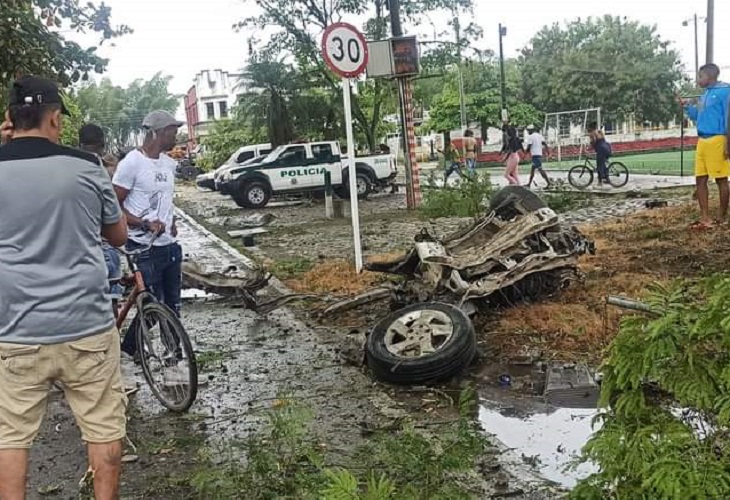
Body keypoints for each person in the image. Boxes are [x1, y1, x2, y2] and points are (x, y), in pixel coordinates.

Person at [0, 76, 128, 500]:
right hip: (86, 326)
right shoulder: (86, 166)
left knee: (11, 436)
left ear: (10, 118)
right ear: (54, 118)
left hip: (15, 329)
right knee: (104, 427)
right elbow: (118, 236)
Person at [113, 110, 183, 360]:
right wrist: (142, 223)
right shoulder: (131, 163)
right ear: (156, 133)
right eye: (172, 131)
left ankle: (174, 356)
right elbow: (114, 206)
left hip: (169, 245)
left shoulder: (168, 163)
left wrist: (171, 220)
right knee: (152, 305)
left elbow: (167, 199)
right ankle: (131, 347)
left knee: (173, 305)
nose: (176, 136)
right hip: (143, 246)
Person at [80, 124, 124, 303]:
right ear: (103, 144)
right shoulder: (102, 169)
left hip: (81, 253)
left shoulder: (68, 170)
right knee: (112, 299)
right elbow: (118, 234)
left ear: (79, 143)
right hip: (104, 247)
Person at [683, 63, 730, 229]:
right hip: (702, 140)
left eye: (700, 76)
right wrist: (688, 106)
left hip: (717, 139)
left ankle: (722, 216)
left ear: (709, 77)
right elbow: (699, 116)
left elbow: (728, 119)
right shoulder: (704, 95)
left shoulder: (725, 91)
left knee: (721, 179)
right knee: (700, 179)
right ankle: (705, 217)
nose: (698, 80)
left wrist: (728, 143)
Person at [586, 121, 612, 187]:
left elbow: (593, 142)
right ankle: (607, 178)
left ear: (590, 128)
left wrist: (588, 149)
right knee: (603, 164)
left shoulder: (592, 134)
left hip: (601, 150)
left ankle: (600, 182)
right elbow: (602, 140)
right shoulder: (600, 131)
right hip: (607, 148)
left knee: (599, 166)